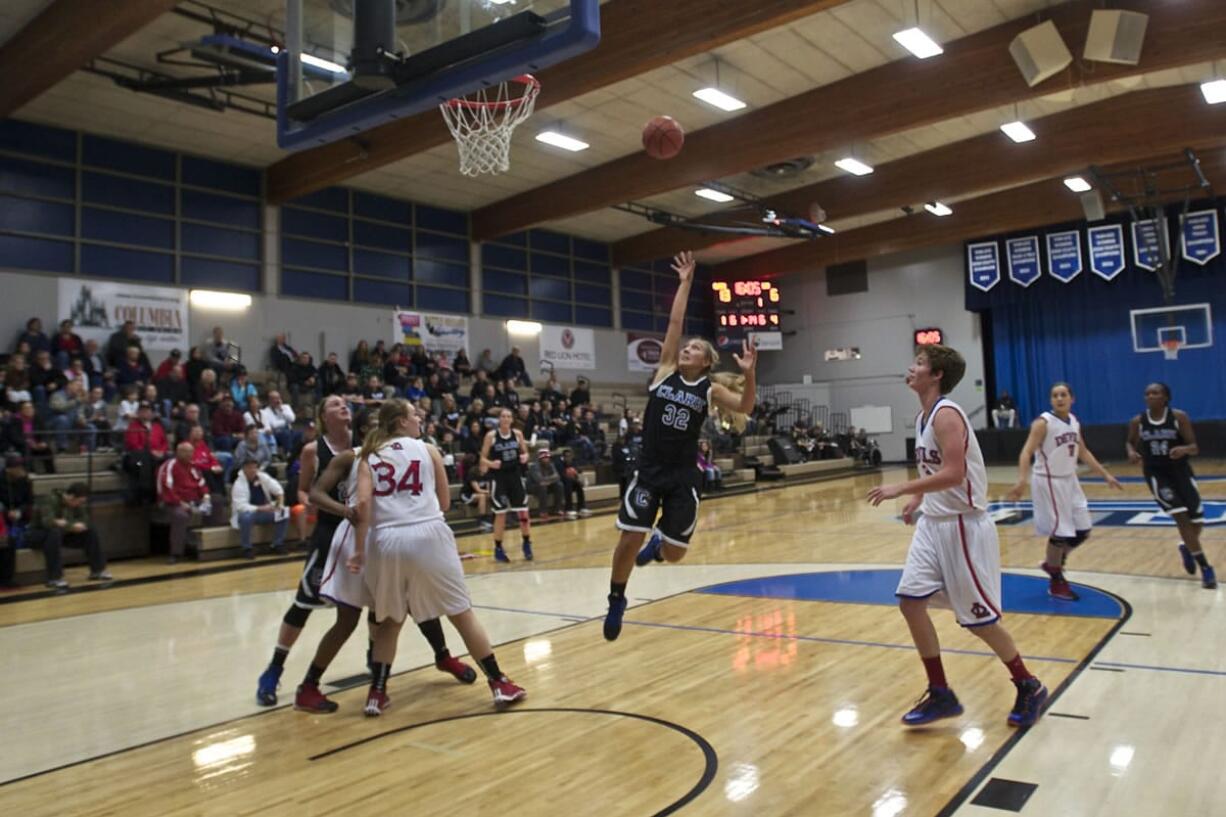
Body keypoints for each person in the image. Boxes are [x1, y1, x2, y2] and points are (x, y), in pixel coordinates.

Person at [867, 344, 1047, 728]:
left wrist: (903, 487)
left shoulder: (947, 415)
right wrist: (917, 497)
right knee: (910, 602)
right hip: (934, 524)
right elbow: (931, 467)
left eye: (919, 363)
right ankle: (941, 692)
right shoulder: (922, 417)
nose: (911, 368)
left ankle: (1028, 683)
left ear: (936, 375)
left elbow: (954, 473)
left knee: (979, 622)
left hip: (964, 526)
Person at [605, 251, 756, 641]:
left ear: (706, 362)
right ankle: (617, 598)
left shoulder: (710, 388)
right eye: (685, 347)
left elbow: (745, 406)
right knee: (627, 536)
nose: (686, 349)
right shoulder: (665, 371)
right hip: (650, 469)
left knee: (675, 553)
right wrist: (686, 280)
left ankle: (659, 546)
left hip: (684, 475)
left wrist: (751, 376)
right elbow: (674, 322)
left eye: (694, 349)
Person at [347, 399, 526, 714]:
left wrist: (360, 550)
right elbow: (444, 503)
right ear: (401, 422)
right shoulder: (428, 450)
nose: (419, 419)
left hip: (386, 539)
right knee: (461, 613)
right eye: (414, 415)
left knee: (389, 621)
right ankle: (499, 682)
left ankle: (377, 693)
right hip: (428, 533)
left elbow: (362, 507)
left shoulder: (368, 456)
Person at [292, 412, 477, 714]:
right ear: (367, 429)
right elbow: (315, 493)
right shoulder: (352, 457)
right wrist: (345, 509)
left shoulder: (403, 453)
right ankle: (309, 686)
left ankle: (441, 656)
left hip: (389, 538)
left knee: (415, 600)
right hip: (358, 539)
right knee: (348, 619)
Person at [255, 396, 352, 706]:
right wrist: (313, 502)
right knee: (303, 605)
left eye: (345, 403)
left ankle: (376, 665)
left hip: (359, 534)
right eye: (336, 404)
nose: (344, 406)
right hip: (328, 533)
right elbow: (305, 488)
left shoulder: (363, 443)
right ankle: (274, 668)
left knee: (363, 606)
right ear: (323, 415)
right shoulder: (313, 450)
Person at [1006, 383, 1123, 601]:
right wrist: (1022, 480)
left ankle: (1052, 564)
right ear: (1051, 400)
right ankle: (1056, 581)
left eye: (1063, 395)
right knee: (1060, 533)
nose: (1059, 398)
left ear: (1072, 398)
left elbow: (1083, 452)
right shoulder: (1043, 423)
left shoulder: (1074, 421)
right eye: (1055, 395)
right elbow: (1026, 452)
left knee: (1083, 530)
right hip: (1049, 481)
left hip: (1070, 480)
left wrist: (1105, 475)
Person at [1126, 383, 1215, 589]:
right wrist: (1131, 452)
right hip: (1156, 473)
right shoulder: (1138, 421)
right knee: (1181, 516)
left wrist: (1183, 449)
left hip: (1180, 472)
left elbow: (1194, 447)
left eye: (1155, 393)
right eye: (1147, 393)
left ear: (1165, 397)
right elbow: (1129, 442)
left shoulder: (1178, 417)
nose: (1150, 396)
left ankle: (1187, 547)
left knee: (1197, 520)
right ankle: (1206, 568)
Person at [29, 482, 111, 588]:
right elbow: (48, 523)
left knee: (90, 531)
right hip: (38, 534)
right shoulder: (49, 500)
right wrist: (71, 525)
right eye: (79, 501)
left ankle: (97, 571)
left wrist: (67, 524)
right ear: (71, 497)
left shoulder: (76, 504)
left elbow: (84, 519)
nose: (80, 505)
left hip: (62, 533)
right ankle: (54, 578)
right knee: (54, 533)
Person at [481, 407, 532, 563]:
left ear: (512, 419)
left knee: (523, 513)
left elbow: (525, 452)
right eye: (503, 416)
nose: (505, 418)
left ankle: (526, 543)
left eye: (508, 416)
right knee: (501, 514)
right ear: (499, 419)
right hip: (499, 478)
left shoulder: (517, 434)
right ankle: (498, 548)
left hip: (515, 476)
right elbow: (482, 458)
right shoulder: (491, 436)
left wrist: (525, 457)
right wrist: (491, 463)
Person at [159, 441, 224, 563]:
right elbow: (166, 487)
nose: (189, 454)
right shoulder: (169, 465)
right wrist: (179, 502)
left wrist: (205, 495)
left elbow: (201, 483)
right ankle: (176, 553)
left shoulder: (193, 466)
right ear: (178, 452)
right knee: (180, 515)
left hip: (194, 499)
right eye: (186, 451)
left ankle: (210, 543)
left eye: (191, 452)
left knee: (217, 500)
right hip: (172, 502)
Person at [230, 457, 288, 559]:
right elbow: (241, 506)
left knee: (284, 513)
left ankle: (277, 544)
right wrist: (261, 508)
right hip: (249, 513)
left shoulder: (263, 477)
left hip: (264, 511)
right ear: (244, 469)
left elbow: (279, 490)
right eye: (249, 468)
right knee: (246, 517)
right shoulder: (238, 484)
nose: (252, 470)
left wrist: (280, 505)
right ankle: (246, 548)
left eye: (254, 467)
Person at [458, 454, 493, 532]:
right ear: (480, 466)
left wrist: (490, 492)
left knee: (490, 496)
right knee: (482, 496)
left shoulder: (487, 475)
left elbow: (488, 488)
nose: (487, 468)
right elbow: (478, 489)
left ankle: (491, 517)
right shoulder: (473, 473)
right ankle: (482, 520)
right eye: (485, 466)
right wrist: (488, 491)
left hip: (478, 495)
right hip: (467, 495)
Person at [527, 448, 565, 520]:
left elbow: (557, 476)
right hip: (533, 486)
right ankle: (543, 511)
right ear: (540, 459)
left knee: (559, 485)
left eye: (547, 458)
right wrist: (550, 479)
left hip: (547, 484)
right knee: (542, 487)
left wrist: (548, 481)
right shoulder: (534, 466)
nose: (546, 459)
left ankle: (557, 509)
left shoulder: (551, 465)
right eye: (544, 458)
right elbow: (538, 480)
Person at [556, 448, 591, 519]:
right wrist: (573, 479)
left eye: (570, 456)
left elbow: (576, 474)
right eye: (567, 456)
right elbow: (562, 476)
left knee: (579, 486)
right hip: (561, 482)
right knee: (568, 485)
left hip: (571, 481)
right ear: (563, 457)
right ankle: (568, 509)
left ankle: (581, 507)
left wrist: (577, 479)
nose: (569, 458)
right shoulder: (558, 463)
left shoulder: (572, 463)